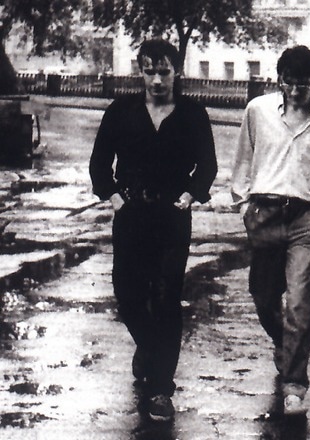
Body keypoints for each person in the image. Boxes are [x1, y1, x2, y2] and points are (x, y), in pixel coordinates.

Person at [89, 39, 217, 422]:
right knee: (127, 294)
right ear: (140, 71)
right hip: (131, 214)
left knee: (166, 297)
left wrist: (190, 196)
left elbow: (207, 165)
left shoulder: (193, 114)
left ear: (177, 71)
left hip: (172, 217)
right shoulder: (121, 111)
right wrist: (115, 198)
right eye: (150, 71)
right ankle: (149, 348)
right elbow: (99, 163)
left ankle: (161, 388)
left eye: (164, 71)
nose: (157, 80)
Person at [230, 45, 310, 416]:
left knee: (299, 301)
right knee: (264, 297)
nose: (295, 90)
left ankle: (294, 384)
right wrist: (244, 207)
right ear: (279, 80)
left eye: (304, 83)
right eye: (288, 82)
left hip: (306, 219)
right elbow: (242, 162)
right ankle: (284, 343)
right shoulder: (258, 110)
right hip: (265, 214)